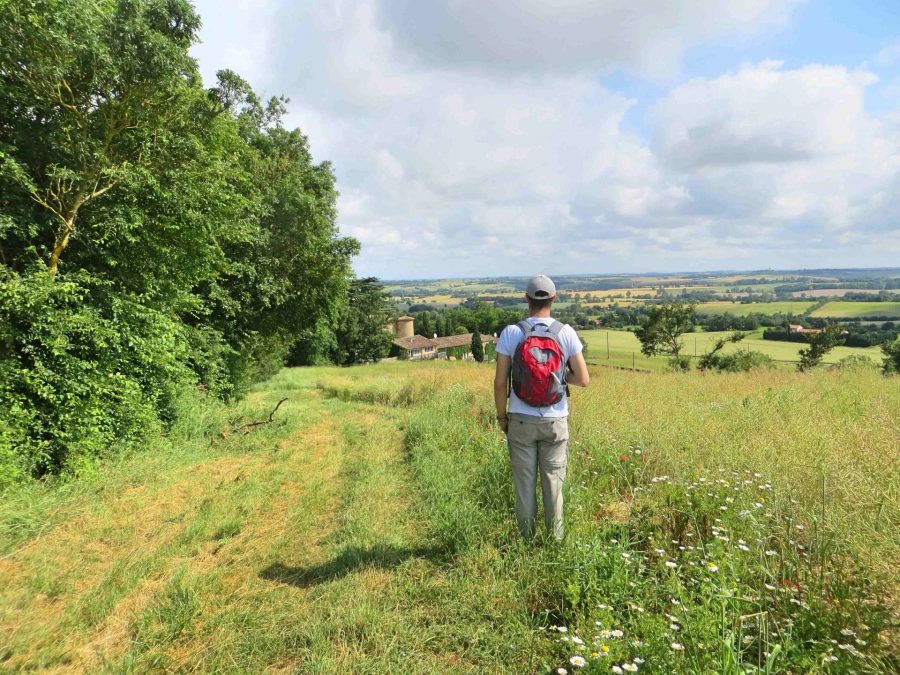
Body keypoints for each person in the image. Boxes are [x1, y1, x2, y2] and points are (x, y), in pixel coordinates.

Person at [494, 274, 590, 541]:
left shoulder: (512, 333)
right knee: (554, 486)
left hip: (520, 420)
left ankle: (526, 541)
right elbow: (583, 379)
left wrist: (502, 417)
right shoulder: (565, 332)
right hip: (555, 420)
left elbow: (500, 383)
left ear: (526, 299)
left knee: (524, 486)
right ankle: (555, 543)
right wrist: (558, 378)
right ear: (553, 299)